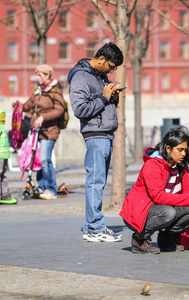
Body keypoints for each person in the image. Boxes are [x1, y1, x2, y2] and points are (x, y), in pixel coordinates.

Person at [120, 127, 189, 254]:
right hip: (140, 212)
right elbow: (159, 197)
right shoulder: (152, 165)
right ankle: (139, 239)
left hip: (162, 208)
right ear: (168, 149)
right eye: (180, 150)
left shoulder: (181, 166)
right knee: (168, 212)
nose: (183, 154)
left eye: (185, 150)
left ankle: (166, 238)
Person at [68, 42, 124, 242]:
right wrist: (104, 97)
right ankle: (94, 228)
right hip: (95, 134)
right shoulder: (80, 77)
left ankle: (91, 225)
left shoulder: (100, 76)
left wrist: (112, 98)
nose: (112, 70)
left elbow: (103, 103)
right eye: (111, 66)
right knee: (95, 182)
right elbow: (80, 110)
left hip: (105, 133)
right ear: (101, 59)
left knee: (99, 182)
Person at [13, 64, 65, 200]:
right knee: (38, 160)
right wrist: (19, 105)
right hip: (38, 132)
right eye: (36, 75)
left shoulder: (55, 90)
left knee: (45, 159)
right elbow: (28, 105)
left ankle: (51, 189)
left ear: (47, 76)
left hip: (50, 131)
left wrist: (43, 117)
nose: (37, 78)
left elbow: (59, 110)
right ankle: (41, 187)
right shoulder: (38, 91)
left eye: (39, 75)